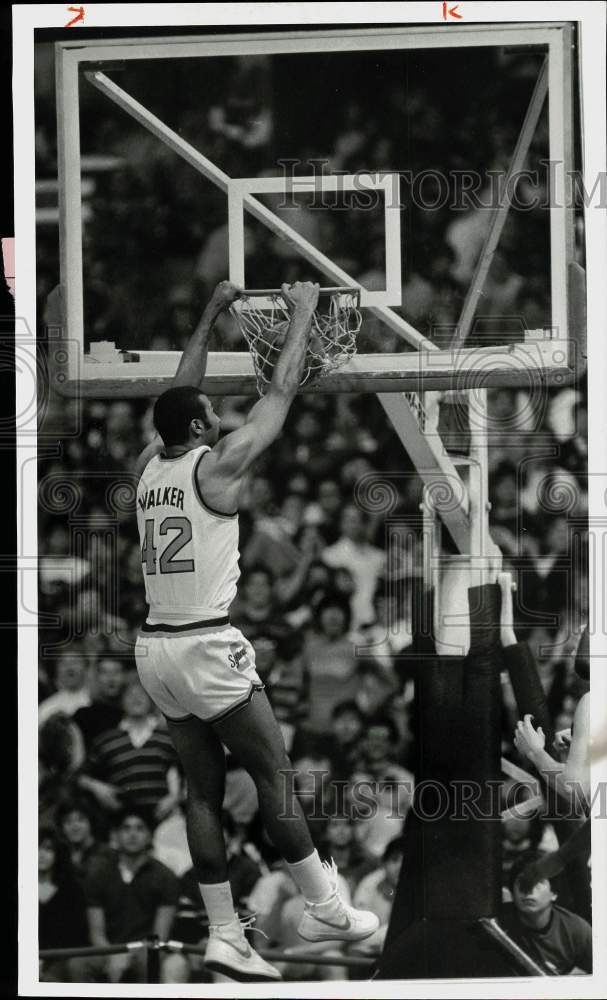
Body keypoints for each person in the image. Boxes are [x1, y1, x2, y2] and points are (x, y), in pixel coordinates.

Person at [133, 280, 379, 982]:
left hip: (155, 649)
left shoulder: (151, 465)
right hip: (207, 643)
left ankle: (222, 934)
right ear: (202, 430)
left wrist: (209, 314)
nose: (215, 412)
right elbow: (278, 396)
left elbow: (176, 397)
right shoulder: (219, 466)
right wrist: (301, 314)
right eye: (210, 413)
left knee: (202, 792)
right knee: (273, 772)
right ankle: (324, 902)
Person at [82, 809, 182, 983]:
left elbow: (159, 937)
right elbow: (96, 934)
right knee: (77, 965)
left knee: (148, 962)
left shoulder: (165, 877)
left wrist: (129, 955)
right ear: (116, 835)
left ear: (150, 836)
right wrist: (114, 955)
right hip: (107, 950)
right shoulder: (98, 874)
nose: (132, 834)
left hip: (147, 950)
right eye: (126, 828)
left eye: (139, 828)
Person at [498, 852, 592, 974]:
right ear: (512, 892)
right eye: (522, 882)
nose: (528, 890)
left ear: (554, 893)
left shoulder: (577, 931)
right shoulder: (499, 925)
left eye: (537, 882)